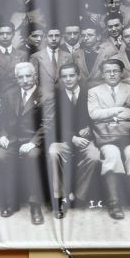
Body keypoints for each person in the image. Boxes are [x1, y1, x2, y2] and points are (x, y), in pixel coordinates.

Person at [88, 59, 130, 220]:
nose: (112, 74)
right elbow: (94, 114)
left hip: (129, 136)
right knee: (112, 155)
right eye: (108, 71)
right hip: (106, 136)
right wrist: (120, 110)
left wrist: (109, 114)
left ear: (122, 73)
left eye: (115, 70)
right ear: (102, 74)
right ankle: (114, 203)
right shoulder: (94, 91)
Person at [0, 62, 54, 224]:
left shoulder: (46, 95)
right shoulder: (9, 94)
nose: (25, 80)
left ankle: (35, 205)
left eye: (28, 76)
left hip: (33, 141)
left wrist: (33, 142)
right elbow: (3, 120)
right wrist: (3, 135)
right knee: (0, 156)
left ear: (35, 76)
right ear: (16, 79)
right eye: (20, 77)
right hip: (13, 140)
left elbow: (48, 124)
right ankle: (11, 201)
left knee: (33, 157)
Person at [47, 63, 100, 218]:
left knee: (94, 156)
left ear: (78, 76)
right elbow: (52, 124)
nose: (68, 79)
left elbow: (96, 117)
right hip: (64, 140)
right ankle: (60, 197)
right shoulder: (55, 96)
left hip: (86, 139)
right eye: (64, 76)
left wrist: (90, 129)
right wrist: (72, 137)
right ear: (61, 79)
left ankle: (77, 195)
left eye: (71, 75)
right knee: (53, 152)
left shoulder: (90, 93)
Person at [72, 22, 116, 88]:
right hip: (83, 92)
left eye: (90, 35)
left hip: (103, 91)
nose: (86, 38)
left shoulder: (109, 52)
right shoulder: (76, 54)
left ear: (98, 37)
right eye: (83, 36)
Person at [30, 26, 73, 91]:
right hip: (44, 95)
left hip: (63, 95)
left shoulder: (68, 56)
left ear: (61, 37)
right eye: (50, 36)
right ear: (45, 37)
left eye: (57, 35)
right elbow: (33, 79)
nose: (54, 39)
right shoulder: (36, 56)